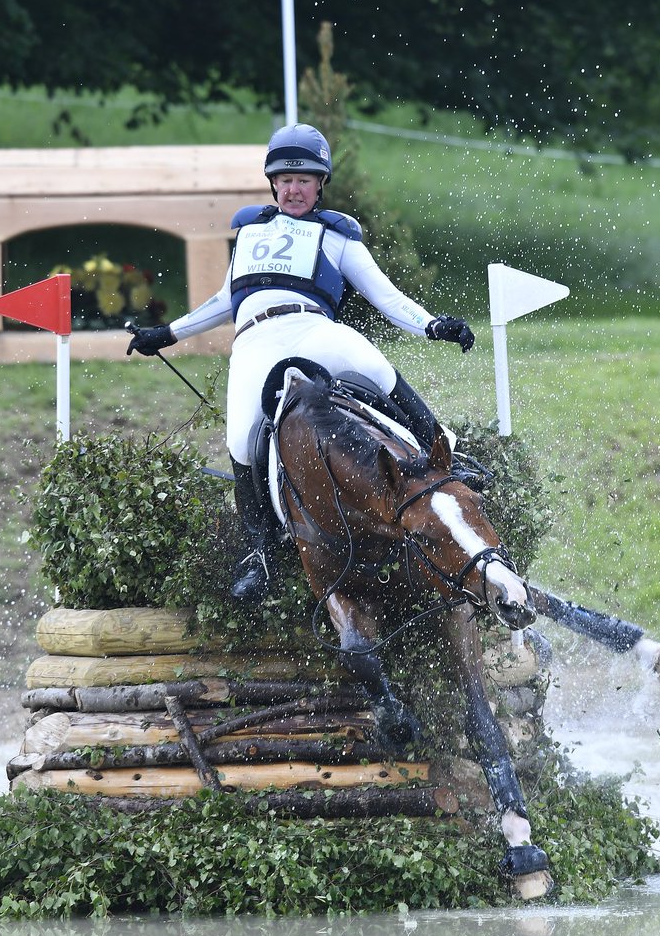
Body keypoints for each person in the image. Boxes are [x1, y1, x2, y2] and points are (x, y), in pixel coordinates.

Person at [127, 123, 475, 601]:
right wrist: (165, 334)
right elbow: (223, 301)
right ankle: (261, 556)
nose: (294, 189)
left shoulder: (338, 236)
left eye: (305, 180)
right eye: (285, 179)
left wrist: (434, 325)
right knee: (242, 440)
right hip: (256, 342)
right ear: (273, 182)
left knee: (378, 372)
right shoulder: (249, 232)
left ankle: (448, 461)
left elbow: (387, 298)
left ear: (320, 184)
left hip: (315, 328)